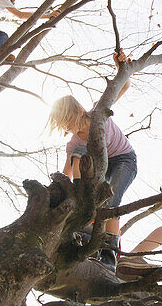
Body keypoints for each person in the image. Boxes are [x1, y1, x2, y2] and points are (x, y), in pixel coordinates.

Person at [47, 51, 136, 268]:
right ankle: (89, 238)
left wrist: (121, 67)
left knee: (111, 200)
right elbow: (67, 171)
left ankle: (110, 254)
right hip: (101, 168)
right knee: (94, 203)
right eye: (64, 126)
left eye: (68, 121)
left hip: (124, 160)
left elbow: (123, 87)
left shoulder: (98, 111)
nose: (68, 128)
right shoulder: (74, 142)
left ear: (78, 110)